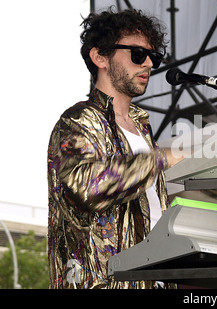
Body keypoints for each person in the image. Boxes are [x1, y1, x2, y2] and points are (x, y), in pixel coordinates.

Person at [47, 8, 183, 289]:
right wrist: (160, 160)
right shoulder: (76, 122)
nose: (148, 64)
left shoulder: (143, 129)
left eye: (153, 57)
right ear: (100, 57)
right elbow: (90, 187)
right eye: (137, 54)